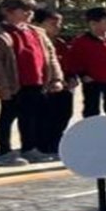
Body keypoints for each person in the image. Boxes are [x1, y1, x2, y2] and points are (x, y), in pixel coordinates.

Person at [0, 0, 63, 166]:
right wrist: (2, 87)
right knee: (8, 116)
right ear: (8, 12)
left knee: (32, 117)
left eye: (31, 10)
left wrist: (56, 78)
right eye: (25, 10)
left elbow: (51, 56)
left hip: (37, 82)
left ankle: (30, 148)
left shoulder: (37, 32)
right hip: (15, 85)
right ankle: (5, 151)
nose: (30, 13)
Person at [66, 7, 106, 119]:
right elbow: (74, 60)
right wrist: (83, 75)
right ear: (93, 23)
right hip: (92, 81)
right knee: (91, 109)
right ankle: (91, 131)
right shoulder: (81, 41)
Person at [31, 8, 74, 157]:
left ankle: (56, 141)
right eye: (52, 23)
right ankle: (42, 145)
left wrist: (71, 77)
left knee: (63, 114)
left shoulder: (61, 43)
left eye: (59, 23)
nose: (57, 27)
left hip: (63, 85)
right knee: (43, 117)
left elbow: (68, 64)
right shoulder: (33, 43)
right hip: (43, 86)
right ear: (37, 24)